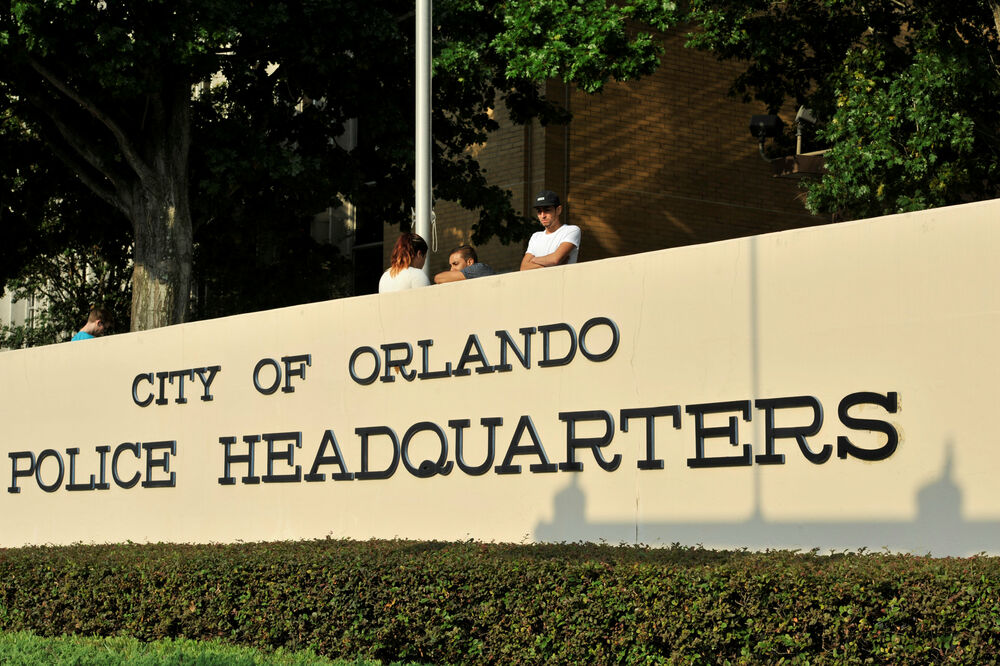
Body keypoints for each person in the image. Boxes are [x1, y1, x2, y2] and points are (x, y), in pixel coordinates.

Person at [520, 189, 581, 270]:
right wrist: (552, 264)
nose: (543, 216)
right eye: (539, 211)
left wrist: (533, 260)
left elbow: (555, 259)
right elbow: (524, 268)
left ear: (558, 210)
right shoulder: (536, 237)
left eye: (547, 210)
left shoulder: (571, 230)